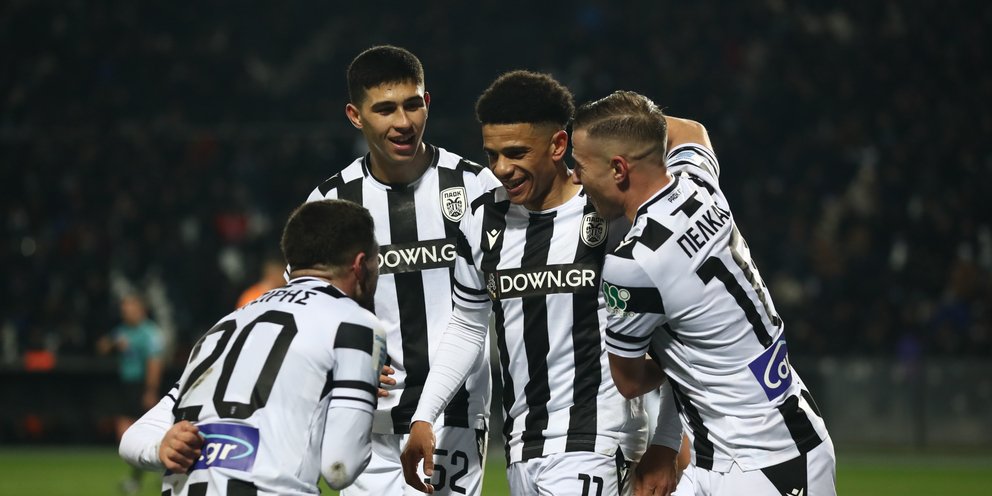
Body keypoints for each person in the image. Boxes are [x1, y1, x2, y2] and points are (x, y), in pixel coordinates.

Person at [118, 45, 498, 496]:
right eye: (385, 109)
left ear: (427, 103)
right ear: (355, 116)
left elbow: (484, 309)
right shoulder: (331, 200)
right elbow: (308, 309)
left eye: (412, 105)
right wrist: (353, 360)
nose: (403, 122)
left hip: (454, 415)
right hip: (364, 419)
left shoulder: (475, 187)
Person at [401, 71, 677, 496]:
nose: (501, 169)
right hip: (521, 448)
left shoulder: (610, 214)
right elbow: (468, 326)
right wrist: (425, 415)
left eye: (516, 153)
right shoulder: (483, 219)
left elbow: (678, 333)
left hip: (598, 439)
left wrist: (668, 439)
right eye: (492, 154)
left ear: (558, 145)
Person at [569, 91, 836, 495]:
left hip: (765, 464)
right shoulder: (698, 183)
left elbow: (629, 381)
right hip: (742, 446)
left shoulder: (633, 263)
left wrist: (682, 361)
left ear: (619, 168)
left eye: (581, 164)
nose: (575, 177)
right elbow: (690, 130)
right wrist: (630, 122)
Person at [120, 199, 388, 495]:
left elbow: (134, 436)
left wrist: (161, 447)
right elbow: (340, 468)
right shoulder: (355, 323)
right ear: (360, 264)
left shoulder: (222, 328)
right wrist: (360, 394)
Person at [97, 293, 164, 495]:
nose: (125, 312)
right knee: (126, 435)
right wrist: (114, 344)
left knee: (139, 434)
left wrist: (150, 390)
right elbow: (102, 347)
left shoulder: (150, 333)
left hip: (141, 386)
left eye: (129, 308)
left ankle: (144, 475)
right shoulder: (123, 331)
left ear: (141, 310)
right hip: (125, 386)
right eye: (123, 309)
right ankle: (151, 471)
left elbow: (155, 362)